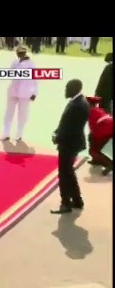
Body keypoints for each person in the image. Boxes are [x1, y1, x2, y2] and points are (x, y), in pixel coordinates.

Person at [51, 79, 90, 214]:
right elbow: (66, 123)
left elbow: (71, 128)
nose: (66, 90)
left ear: (75, 88)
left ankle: (65, 203)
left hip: (69, 144)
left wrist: (58, 137)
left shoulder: (77, 106)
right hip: (71, 143)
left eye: (68, 88)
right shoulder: (78, 102)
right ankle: (77, 201)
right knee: (69, 173)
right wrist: (57, 131)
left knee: (64, 174)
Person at [2, 45, 37, 142]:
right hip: (13, 90)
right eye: (18, 52)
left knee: (22, 114)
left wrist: (34, 92)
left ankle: (19, 134)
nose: (19, 54)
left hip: (25, 92)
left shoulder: (31, 64)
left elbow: (35, 79)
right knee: (9, 113)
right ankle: (6, 133)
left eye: (21, 52)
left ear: (25, 53)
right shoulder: (15, 62)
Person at [87, 96, 113, 175]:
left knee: (93, 151)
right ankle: (97, 160)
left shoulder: (92, 113)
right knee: (91, 138)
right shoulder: (99, 110)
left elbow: (95, 131)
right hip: (108, 130)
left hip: (106, 133)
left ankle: (109, 164)